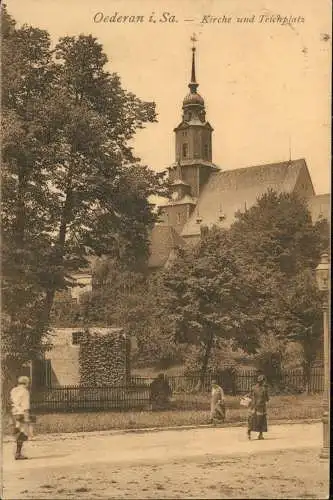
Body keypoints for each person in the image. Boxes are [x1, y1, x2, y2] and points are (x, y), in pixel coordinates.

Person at [10, 376, 32, 460]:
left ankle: (17, 452)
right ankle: (18, 453)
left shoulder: (13, 390)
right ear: (26, 383)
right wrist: (27, 418)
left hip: (14, 413)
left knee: (18, 432)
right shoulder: (25, 391)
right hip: (21, 414)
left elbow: (11, 401)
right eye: (28, 383)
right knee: (23, 433)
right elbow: (26, 405)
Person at [247, 374, 269, 440]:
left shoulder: (253, 388)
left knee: (252, 419)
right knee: (261, 420)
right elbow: (267, 399)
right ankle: (260, 435)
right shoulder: (264, 389)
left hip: (253, 407)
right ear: (263, 381)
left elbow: (249, 395)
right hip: (261, 407)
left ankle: (249, 432)